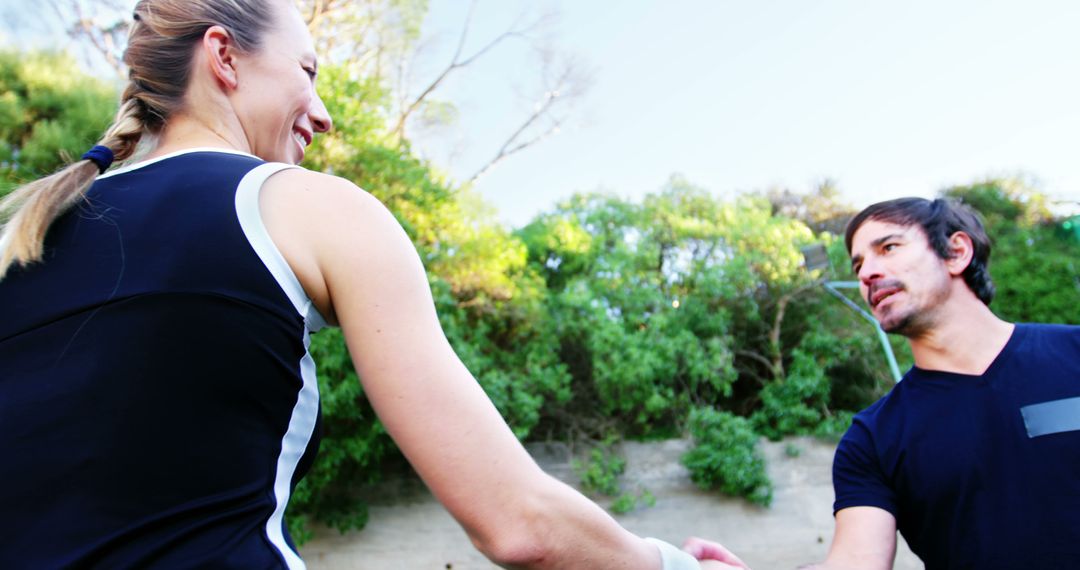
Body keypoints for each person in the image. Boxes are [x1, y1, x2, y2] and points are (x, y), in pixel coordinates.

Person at [0, 1, 750, 568]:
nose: (323, 115)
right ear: (224, 58)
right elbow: (519, 522)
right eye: (308, 73)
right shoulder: (306, 206)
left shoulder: (23, 239)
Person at [806, 197, 1080, 569]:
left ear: (955, 252)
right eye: (858, 265)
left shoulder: (1073, 352)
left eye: (888, 248)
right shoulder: (872, 439)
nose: (867, 273)